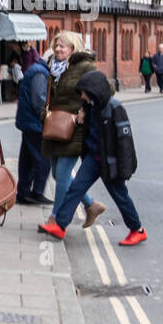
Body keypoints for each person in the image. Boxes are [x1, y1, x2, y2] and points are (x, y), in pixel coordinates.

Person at [38, 71, 145, 246]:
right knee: (75, 189)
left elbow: (125, 143)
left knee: (120, 196)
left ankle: (138, 230)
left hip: (110, 162)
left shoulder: (115, 108)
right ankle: (60, 225)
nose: (81, 96)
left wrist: (125, 168)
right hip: (92, 160)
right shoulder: (90, 107)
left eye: (84, 92)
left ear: (94, 91)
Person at [41, 32, 106, 230]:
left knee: (62, 174)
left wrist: (86, 108)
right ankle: (91, 204)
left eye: (63, 46)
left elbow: (106, 90)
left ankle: (56, 218)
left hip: (74, 130)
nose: (59, 49)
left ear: (73, 48)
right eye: (57, 45)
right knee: (56, 173)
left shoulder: (84, 67)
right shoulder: (53, 67)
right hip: (54, 126)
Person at [15, 47, 54, 205]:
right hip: (35, 123)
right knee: (44, 158)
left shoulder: (38, 69)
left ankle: (23, 193)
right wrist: (48, 119)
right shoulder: (40, 72)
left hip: (29, 122)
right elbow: (39, 100)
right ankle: (37, 192)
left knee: (27, 158)